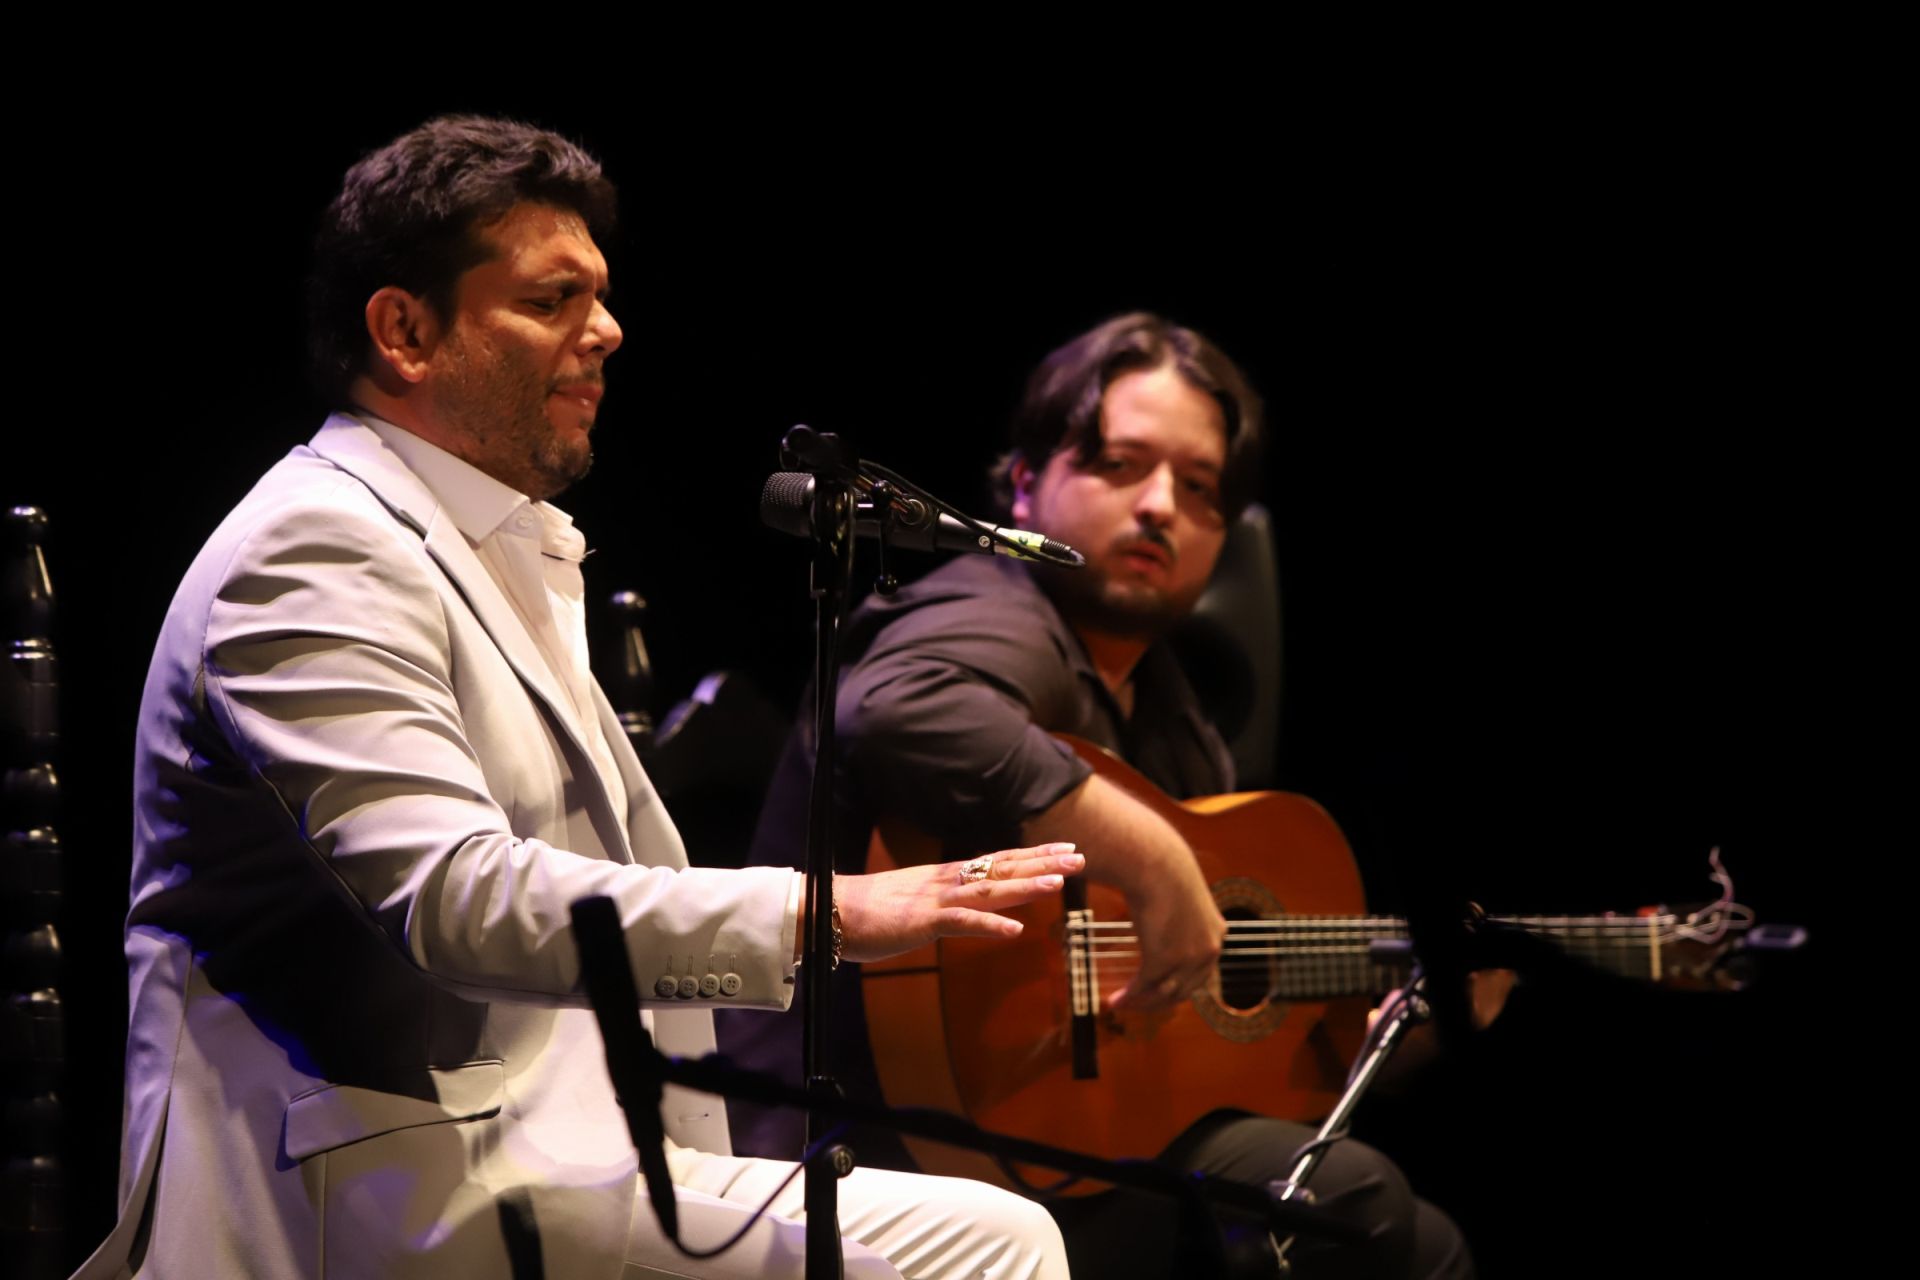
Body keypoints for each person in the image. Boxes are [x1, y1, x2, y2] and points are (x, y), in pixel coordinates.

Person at [70, 116, 1082, 1280]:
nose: (606, 330)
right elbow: (455, 895)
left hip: (551, 1155)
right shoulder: (315, 547)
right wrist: (825, 913)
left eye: (598, 296)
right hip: (369, 1178)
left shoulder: (488, 539)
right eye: (552, 299)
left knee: (1003, 1233)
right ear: (405, 331)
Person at [722, 314, 1475, 1277]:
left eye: (1199, 488)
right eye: (1121, 465)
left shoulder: (1174, 721)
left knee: (1421, 1239)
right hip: (852, 1149)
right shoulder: (990, 606)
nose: (1160, 506)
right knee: (1349, 1204)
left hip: (1046, 1145)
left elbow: (1206, 1025)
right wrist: (1156, 860)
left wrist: (1399, 1031)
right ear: (1025, 480)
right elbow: (902, 704)